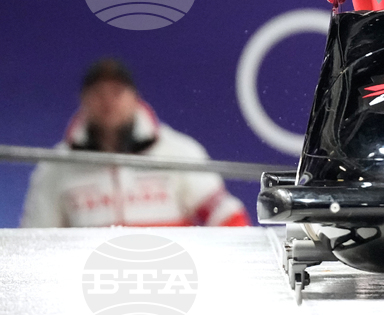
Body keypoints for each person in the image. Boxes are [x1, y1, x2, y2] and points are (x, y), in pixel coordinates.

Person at [20, 59, 250, 228]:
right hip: (91, 285)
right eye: (98, 93)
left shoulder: (177, 150)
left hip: (172, 281)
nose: (108, 102)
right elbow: (34, 241)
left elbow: (225, 216)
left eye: (117, 92)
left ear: (135, 98)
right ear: (83, 101)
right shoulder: (56, 166)